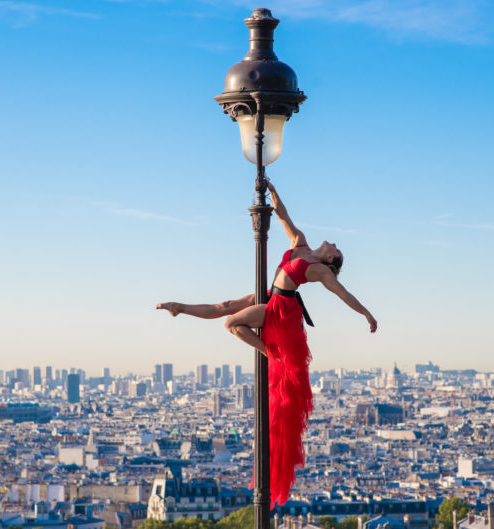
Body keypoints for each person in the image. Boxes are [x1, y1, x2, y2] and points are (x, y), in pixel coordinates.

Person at [156, 179, 378, 508]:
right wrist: (271, 188)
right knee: (225, 306)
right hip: (274, 296)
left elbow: (345, 295)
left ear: (332, 261)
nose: (335, 243)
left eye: (337, 250)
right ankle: (180, 308)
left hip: (282, 309)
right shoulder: (300, 244)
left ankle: (269, 352)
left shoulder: (320, 271)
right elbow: (284, 215)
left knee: (232, 323)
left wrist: (367, 314)